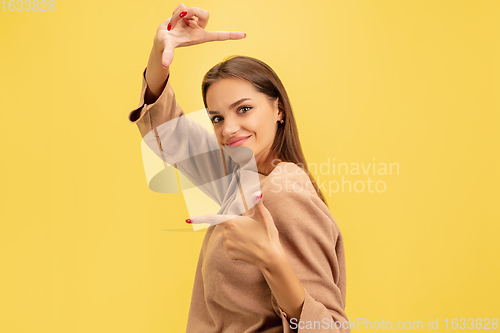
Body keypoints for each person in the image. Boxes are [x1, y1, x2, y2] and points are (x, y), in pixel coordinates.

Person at [128, 4, 350, 332]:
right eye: (217, 117)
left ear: (279, 110)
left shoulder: (286, 189)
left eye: (243, 109)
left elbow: (330, 327)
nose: (228, 129)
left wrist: (273, 263)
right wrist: (160, 51)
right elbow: (167, 134)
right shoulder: (236, 178)